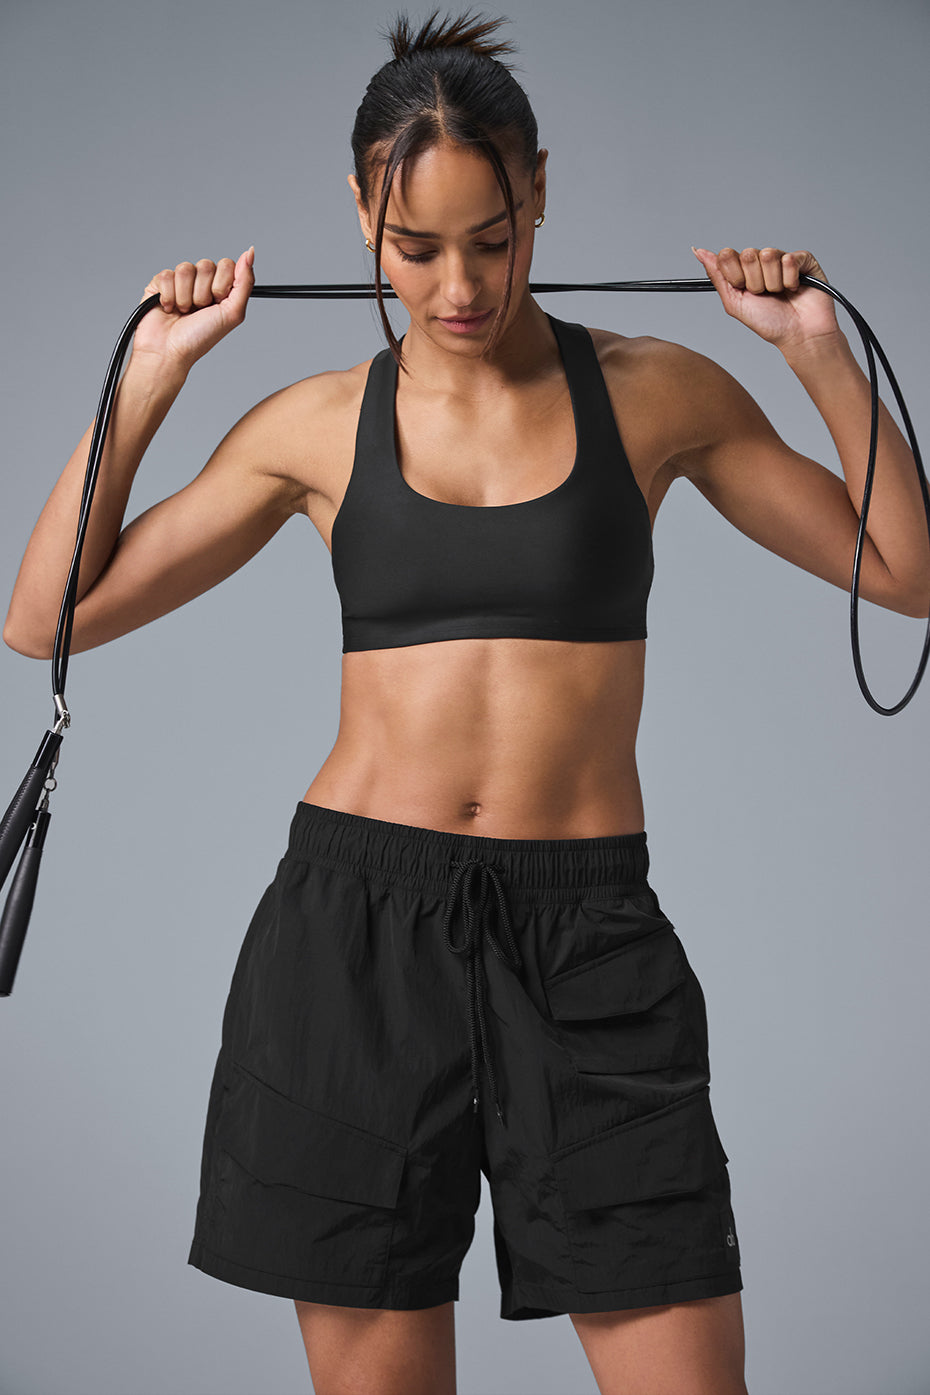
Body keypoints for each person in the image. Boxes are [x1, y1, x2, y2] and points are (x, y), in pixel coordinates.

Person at [4, 9, 928, 1395]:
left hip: (587, 936)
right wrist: (149, 377)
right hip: (357, 940)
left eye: (491, 240)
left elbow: (904, 573)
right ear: (361, 216)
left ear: (540, 191)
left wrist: (814, 350)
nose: (457, 286)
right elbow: (45, 618)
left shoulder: (657, 392)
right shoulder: (314, 425)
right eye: (414, 247)